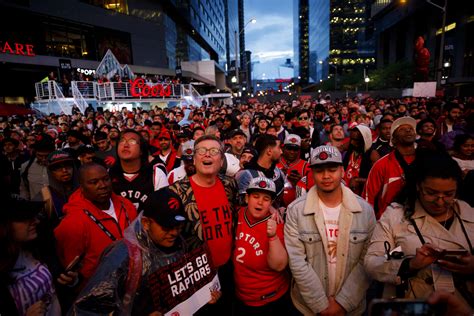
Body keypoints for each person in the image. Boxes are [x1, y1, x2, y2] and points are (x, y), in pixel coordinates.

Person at [70, 188, 222, 315]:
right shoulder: (123, 255)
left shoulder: (181, 243)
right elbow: (86, 309)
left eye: (178, 226)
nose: (174, 233)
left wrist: (203, 296)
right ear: (146, 223)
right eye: (167, 227)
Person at [364, 153, 474, 306]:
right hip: (413, 304)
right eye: (431, 193)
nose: (440, 201)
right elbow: (372, 262)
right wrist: (409, 264)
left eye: (448, 194)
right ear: (418, 186)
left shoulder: (468, 214)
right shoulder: (397, 216)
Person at [285, 145, 376, 315]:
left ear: (342, 171)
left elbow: (367, 261)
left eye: (332, 170)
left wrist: (343, 303)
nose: (326, 176)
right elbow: (297, 261)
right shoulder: (296, 210)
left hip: (351, 308)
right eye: (320, 171)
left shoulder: (365, 211)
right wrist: (321, 305)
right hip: (308, 308)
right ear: (312, 173)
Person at [169, 135, 238, 314]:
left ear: (221, 159)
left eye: (214, 151)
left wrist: (272, 210)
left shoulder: (229, 184)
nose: (207, 155)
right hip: (195, 276)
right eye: (202, 151)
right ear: (194, 158)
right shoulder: (176, 192)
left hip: (227, 269)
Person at [54, 163, 137, 288]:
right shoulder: (73, 223)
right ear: (81, 187)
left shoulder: (126, 205)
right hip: (100, 292)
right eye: (94, 182)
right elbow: (70, 268)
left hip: (132, 284)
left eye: (106, 179)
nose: (102, 186)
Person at [233, 176, 292, 315]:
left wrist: (272, 236)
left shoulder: (277, 224)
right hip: (240, 297)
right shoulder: (237, 214)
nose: (260, 202)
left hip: (269, 300)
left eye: (266, 199)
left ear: (271, 202)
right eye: (256, 196)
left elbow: (279, 266)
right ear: (247, 198)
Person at [0, 196, 65, 316]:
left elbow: (57, 289)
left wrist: (72, 281)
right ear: (5, 226)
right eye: (25, 218)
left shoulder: (40, 248)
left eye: (33, 216)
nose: (36, 221)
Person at [363, 117, 417, 218]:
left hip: (419, 222)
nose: (408, 130)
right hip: (389, 222)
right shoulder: (381, 164)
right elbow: (367, 198)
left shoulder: (425, 160)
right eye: (402, 129)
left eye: (411, 128)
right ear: (393, 139)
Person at [110, 129, 168, 211]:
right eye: (122, 141)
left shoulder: (155, 173)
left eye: (132, 141)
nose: (125, 145)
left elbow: (163, 208)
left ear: (141, 150)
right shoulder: (109, 174)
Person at [37, 150, 78, 228]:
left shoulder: (85, 189)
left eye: (67, 165)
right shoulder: (45, 196)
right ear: (50, 172)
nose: (64, 170)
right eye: (57, 167)